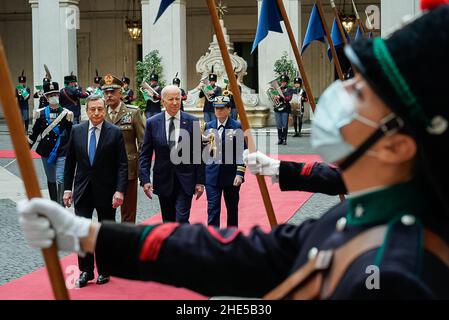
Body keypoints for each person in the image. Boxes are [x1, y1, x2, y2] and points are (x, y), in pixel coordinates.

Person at [18, 4, 449, 299]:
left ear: (396, 143)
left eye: (361, 89)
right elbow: (230, 252)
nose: (342, 91)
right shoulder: (355, 220)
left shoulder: (398, 275)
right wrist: (89, 234)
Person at [62, 94, 128, 288]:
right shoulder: (76, 131)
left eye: (100, 109)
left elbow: (122, 165)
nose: (97, 113)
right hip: (82, 190)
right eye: (93, 109)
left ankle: (105, 270)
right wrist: (67, 189)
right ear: (87, 111)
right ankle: (86, 271)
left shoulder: (115, 132)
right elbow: (69, 164)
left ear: (104, 109)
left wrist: (120, 191)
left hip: (107, 192)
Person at [139, 85, 205, 223]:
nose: (175, 103)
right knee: (168, 221)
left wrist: (200, 181)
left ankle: (182, 244)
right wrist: (145, 179)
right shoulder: (153, 123)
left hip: (186, 179)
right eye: (171, 99)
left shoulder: (192, 121)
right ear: (163, 101)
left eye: (178, 99)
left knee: (181, 219)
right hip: (163, 179)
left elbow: (198, 153)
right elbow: (145, 153)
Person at [102, 74, 145, 223]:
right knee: (106, 210)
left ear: (120, 92)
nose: (109, 95)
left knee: (128, 212)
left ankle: (127, 243)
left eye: (112, 91)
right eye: (106, 92)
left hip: (128, 169)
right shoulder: (99, 113)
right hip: (105, 169)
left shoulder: (133, 113)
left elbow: (142, 143)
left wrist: (142, 171)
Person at [28, 81, 73, 204]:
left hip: (62, 150)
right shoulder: (40, 113)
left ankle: (61, 205)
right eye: (51, 95)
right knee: (51, 178)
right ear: (46, 98)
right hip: (46, 151)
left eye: (56, 94)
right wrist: (27, 148)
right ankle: (54, 203)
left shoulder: (66, 113)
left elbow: (71, 134)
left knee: (60, 177)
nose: (54, 97)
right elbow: (35, 132)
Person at [204, 96, 246, 228]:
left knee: (232, 210)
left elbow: (243, 152)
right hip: (212, 176)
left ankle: (232, 239)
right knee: (212, 210)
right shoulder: (207, 126)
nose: (219, 111)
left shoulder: (237, 126)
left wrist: (240, 174)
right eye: (216, 108)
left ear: (229, 109)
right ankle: (212, 239)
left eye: (222, 108)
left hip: (231, 176)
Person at [274, 75, 293, 146]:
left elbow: (288, 98)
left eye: (284, 82)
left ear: (287, 82)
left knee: (284, 124)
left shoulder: (289, 89)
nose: (283, 83)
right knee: (278, 124)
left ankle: (284, 139)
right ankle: (280, 139)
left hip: (285, 108)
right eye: (282, 82)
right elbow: (273, 98)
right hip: (277, 108)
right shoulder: (277, 89)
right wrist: (274, 97)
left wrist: (280, 97)